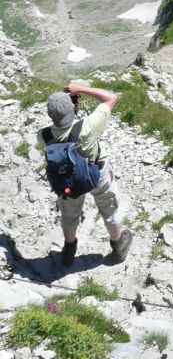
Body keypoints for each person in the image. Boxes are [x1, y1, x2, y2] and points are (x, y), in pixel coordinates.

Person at [38, 82, 133, 268]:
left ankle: (69, 250)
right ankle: (118, 245)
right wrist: (81, 89)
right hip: (97, 173)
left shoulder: (43, 135)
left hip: (68, 181)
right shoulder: (87, 126)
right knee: (109, 209)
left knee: (70, 215)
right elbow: (111, 97)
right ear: (74, 107)